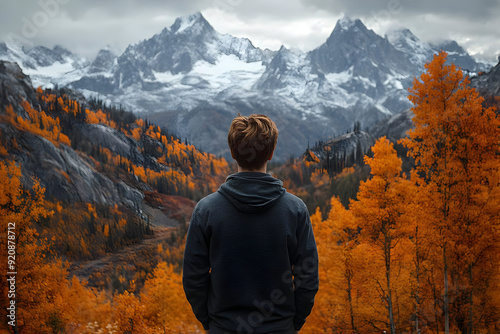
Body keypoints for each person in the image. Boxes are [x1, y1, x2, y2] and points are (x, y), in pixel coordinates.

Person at [182, 114, 319, 334]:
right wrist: (292, 324)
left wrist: (211, 322)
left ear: (233, 153)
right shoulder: (295, 210)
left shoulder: (206, 210)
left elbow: (193, 280)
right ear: (271, 153)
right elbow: (308, 279)